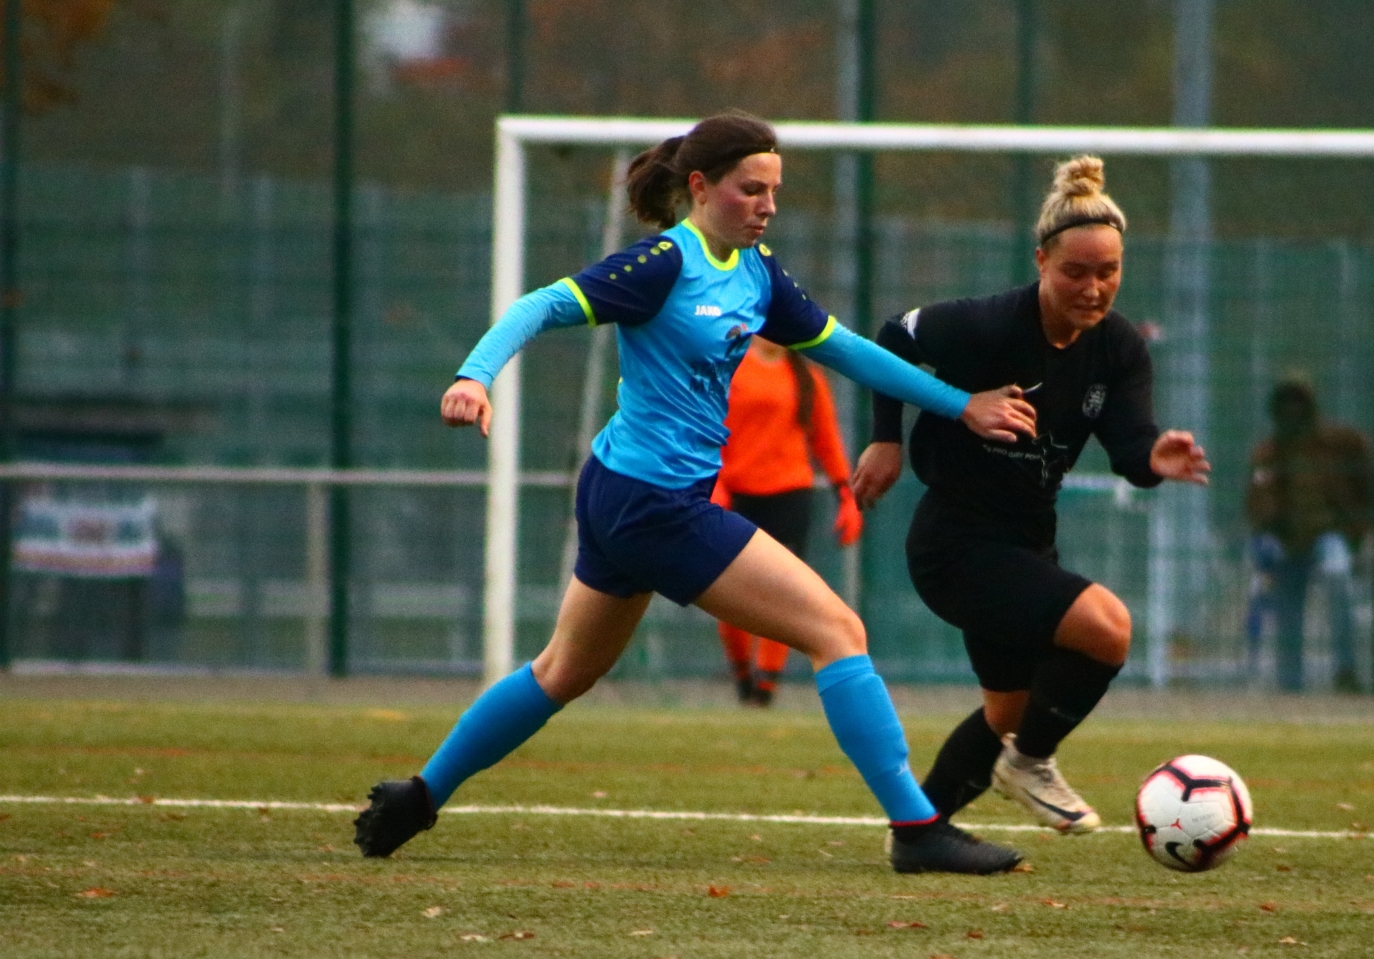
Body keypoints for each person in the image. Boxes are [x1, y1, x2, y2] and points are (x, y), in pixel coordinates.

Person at [353, 110, 1038, 876]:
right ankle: (916, 828)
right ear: (701, 186)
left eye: (774, 191)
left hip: (625, 493)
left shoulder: (756, 272)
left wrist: (959, 404)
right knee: (838, 631)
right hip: (652, 504)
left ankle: (419, 796)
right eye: (752, 190)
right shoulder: (661, 266)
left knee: (562, 672)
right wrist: (475, 376)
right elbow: (538, 305)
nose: (767, 206)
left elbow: (844, 349)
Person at [850, 155, 1210, 835]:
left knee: (1008, 713)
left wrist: (1154, 458)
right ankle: (1030, 764)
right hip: (955, 544)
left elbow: (1130, 451)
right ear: (1041, 261)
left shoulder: (1119, 349)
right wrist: (886, 439)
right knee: (1107, 628)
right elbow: (893, 335)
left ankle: (919, 836)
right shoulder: (988, 324)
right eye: (1076, 271)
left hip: (1026, 540)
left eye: (1108, 272)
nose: (1093, 288)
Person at [711, 336, 861, 707]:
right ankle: (743, 674)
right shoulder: (730, 371)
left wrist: (846, 495)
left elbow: (826, 439)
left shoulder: (807, 377)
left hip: (789, 495)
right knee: (729, 593)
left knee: (782, 594)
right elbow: (708, 431)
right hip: (737, 494)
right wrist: (713, 483)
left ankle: (765, 688)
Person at [1244, 377, 1374, 693]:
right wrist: (1268, 532)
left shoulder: (1338, 445)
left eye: (1298, 404)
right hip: (1287, 539)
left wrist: (1360, 533)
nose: (1292, 412)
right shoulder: (1268, 454)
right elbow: (1257, 498)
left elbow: (1366, 487)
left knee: (1337, 573)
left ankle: (1345, 670)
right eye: (1285, 406)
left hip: (1329, 535)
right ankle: (1290, 684)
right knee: (1288, 607)